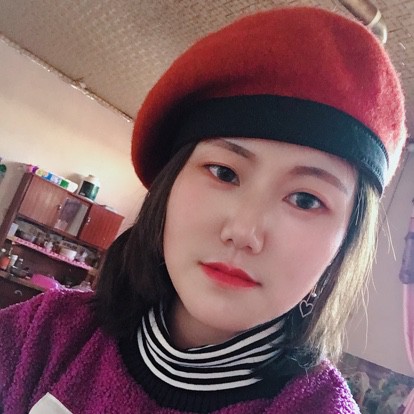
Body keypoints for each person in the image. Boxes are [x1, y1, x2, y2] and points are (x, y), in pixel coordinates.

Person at [0, 6, 407, 414]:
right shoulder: (44, 334)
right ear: (169, 188)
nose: (243, 231)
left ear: (345, 244)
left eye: (305, 199)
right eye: (224, 173)